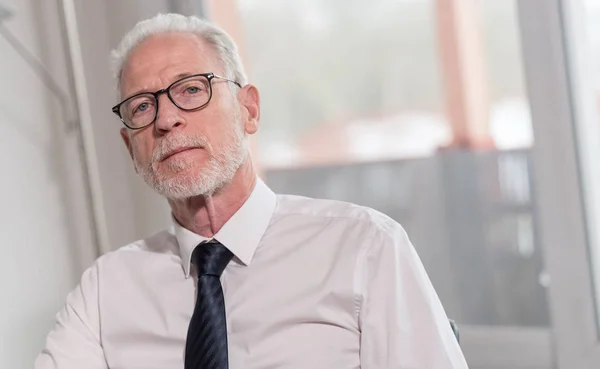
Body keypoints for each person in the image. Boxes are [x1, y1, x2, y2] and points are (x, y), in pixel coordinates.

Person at [35, 13, 468, 369]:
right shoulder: (105, 290)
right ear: (131, 146)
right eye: (142, 107)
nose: (165, 119)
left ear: (249, 110)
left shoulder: (364, 247)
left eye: (190, 90)